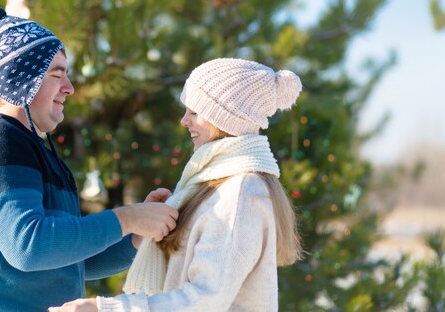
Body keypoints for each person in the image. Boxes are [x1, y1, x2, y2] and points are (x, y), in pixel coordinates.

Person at [0, 7, 178, 312]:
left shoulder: (35, 147)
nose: (69, 88)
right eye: (57, 75)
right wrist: (128, 217)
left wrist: (137, 234)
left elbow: (71, 261)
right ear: (21, 81)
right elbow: (28, 246)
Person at [50, 58, 304, 312]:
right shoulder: (210, 185)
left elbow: (206, 299)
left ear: (226, 118)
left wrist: (105, 309)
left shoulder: (241, 191)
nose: (184, 121)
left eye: (194, 112)